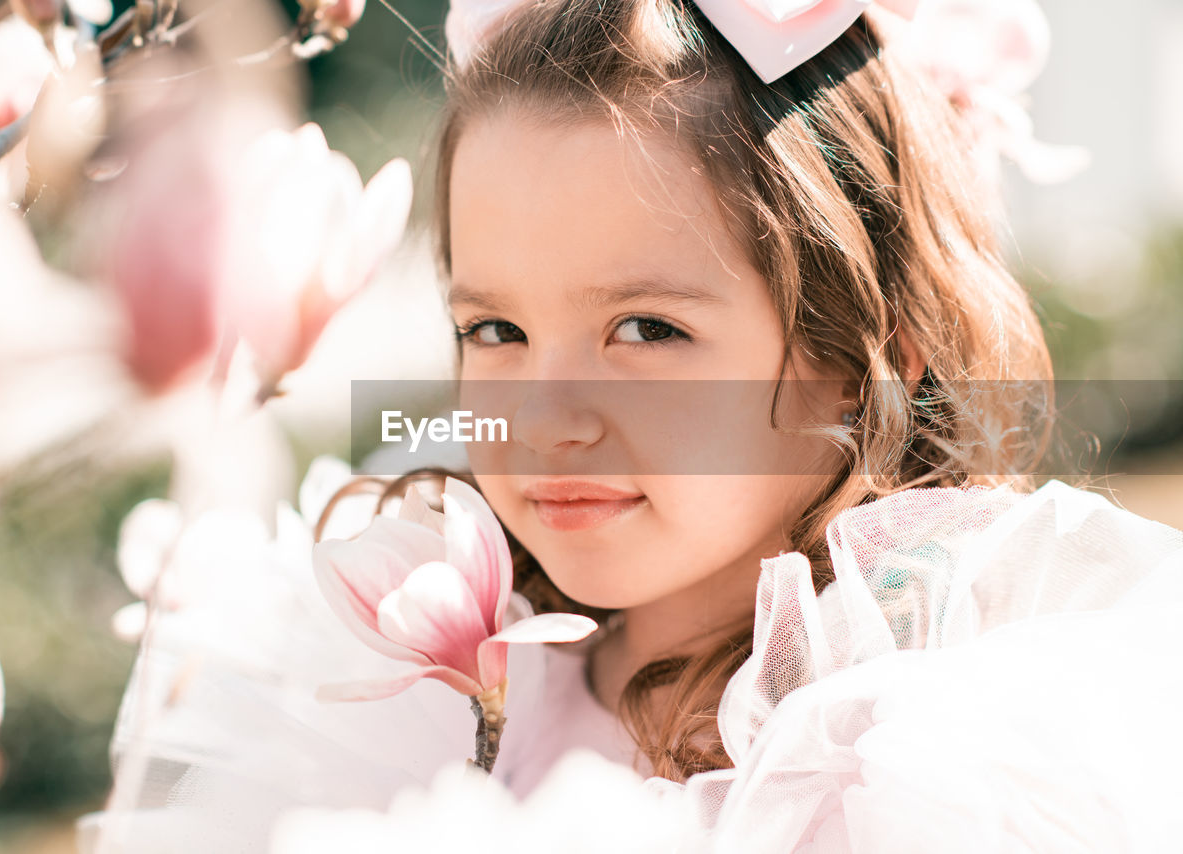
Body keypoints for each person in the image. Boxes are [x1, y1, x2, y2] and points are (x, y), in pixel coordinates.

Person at [78, 1, 1183, 851]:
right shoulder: (416, 707)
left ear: (861, 358)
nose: (544, 417)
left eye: (645, 329)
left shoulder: (922, 751)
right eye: (495, 327)